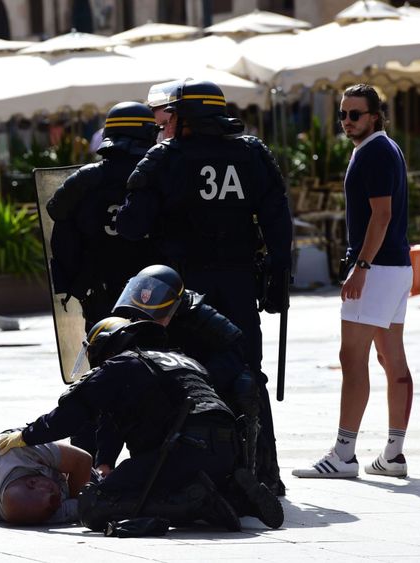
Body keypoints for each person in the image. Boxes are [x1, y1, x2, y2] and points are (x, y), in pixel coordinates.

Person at [116, 79, 293, 496]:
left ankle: (195, 469)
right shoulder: (252, 153)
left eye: (172, 115)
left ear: (187, 119)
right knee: (248, 372)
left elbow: (131, 226)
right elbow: (278, 220)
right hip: (237, 282)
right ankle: (264, 472)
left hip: (183, 293)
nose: (167, 123)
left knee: (186, 375)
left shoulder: (164, 157)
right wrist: (277, 275)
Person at [0, 314, 283, 533]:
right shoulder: (179, 359)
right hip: (226, 452)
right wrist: (105, 462)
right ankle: (235, 494)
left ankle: (198, 502)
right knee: (134, 478)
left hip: (182, 451)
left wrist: (28, 435)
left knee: (94, 506)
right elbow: (112, 418)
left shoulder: (120, 365)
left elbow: (74, 412)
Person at [293, 84, 413, 479]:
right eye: (343, 114)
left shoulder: (376, 151)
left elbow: (381, 215)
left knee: (353, 359)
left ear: (375, 115)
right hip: (396, 268)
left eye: (355, 114)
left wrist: (360, 266)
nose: (346, 121)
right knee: (390, 359)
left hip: (377, 269)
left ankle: (343, 455)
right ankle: (393, 455)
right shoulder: (385, 148)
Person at [110, 265, 261, 476]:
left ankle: (247, 471)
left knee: (246, 384)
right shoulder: (132, 319)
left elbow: (235, 346)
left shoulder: (198, 313)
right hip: (157, 385)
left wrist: (202, 377)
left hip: (201, 385)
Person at [46, 101, 161, 333]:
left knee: (104, 353)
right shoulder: (158, 175)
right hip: (153, 286)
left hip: (99, 287)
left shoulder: (85, 179)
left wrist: (75, 281)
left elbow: (56, 215)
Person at [0, 431, 93, 525]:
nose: (59, 503)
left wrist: (78, 497)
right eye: (54, 509)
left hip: (7, 442)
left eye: (54, 497)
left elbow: (83, 460)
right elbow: (79, 508)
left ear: (33, 482)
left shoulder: (22, 451)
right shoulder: (38, 512)